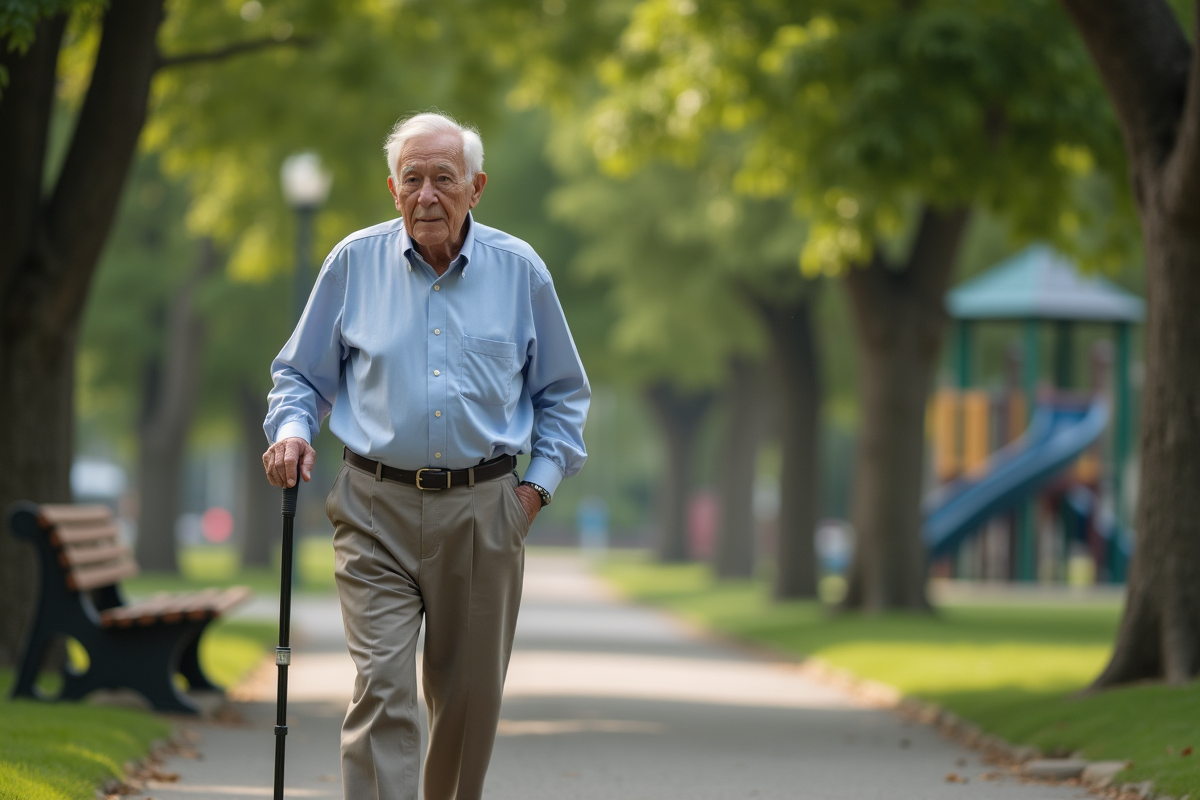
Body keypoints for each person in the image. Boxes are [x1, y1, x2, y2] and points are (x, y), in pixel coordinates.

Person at [261, 111, 590, 800]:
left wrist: (533, 493)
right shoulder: (352, 263)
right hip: (373, 506)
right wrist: (291, 429)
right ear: (392, 188)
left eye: (445, 178)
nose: (427, 195)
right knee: (382, 686)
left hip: (485, 509)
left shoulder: (519, 271)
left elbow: (563, 395)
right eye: (413, 179)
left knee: (467, 705)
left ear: (476, 188)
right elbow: (300, 376)